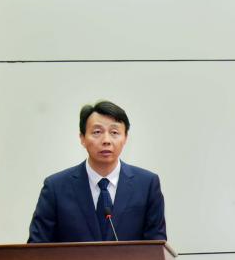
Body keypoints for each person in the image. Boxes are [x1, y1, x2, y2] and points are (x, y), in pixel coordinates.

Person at [28, 100, 167, 243]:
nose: (106, 140)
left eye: (114, 132)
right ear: (82, 138)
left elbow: (156, 248)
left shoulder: (147, 185)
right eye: (97, 132)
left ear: (125, 138)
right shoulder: (55, 188)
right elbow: (36, 248)